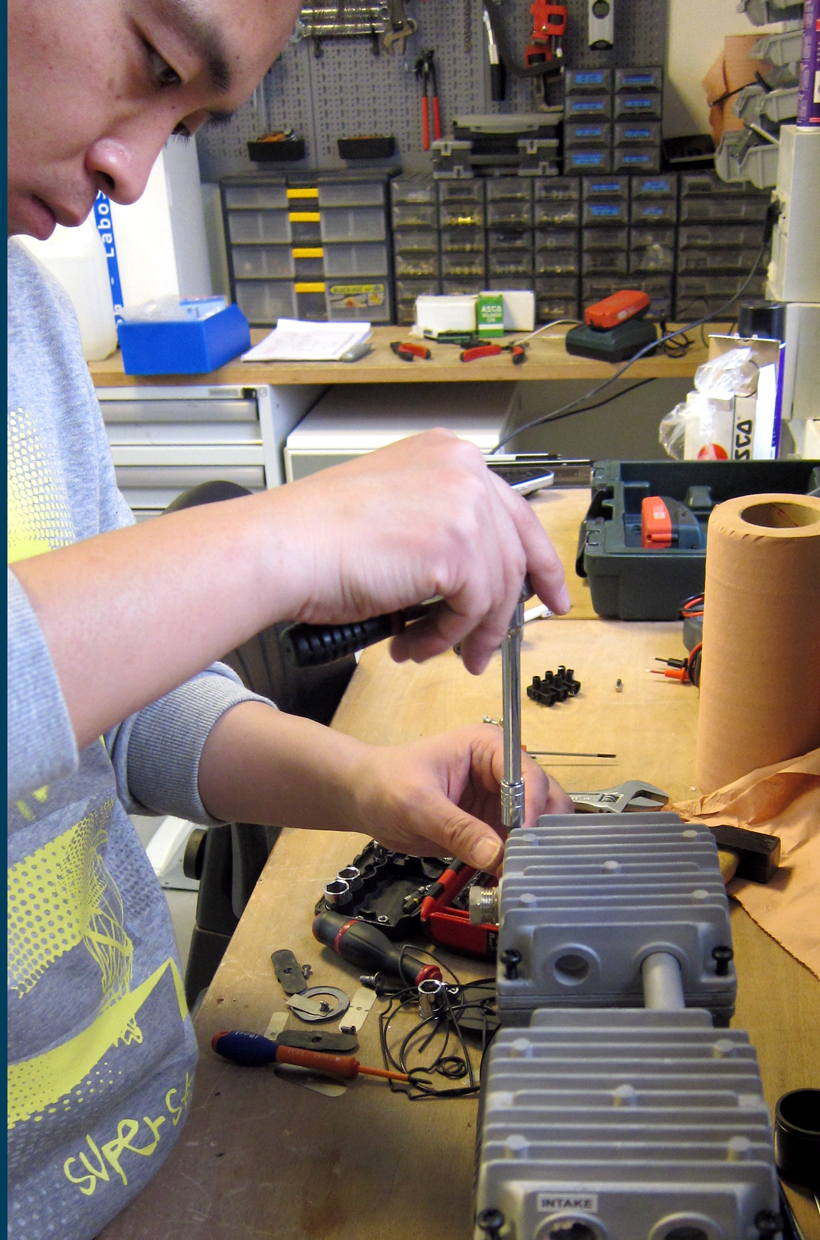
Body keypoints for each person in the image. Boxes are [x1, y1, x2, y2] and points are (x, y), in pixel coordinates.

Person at [7, 2, 573, 1236]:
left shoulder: (23, 316)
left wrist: (364, 784)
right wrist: (284, 538)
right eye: (153, 62)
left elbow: (114, 706)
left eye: (188, 123)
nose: (132, 173)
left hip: (140, 1127)